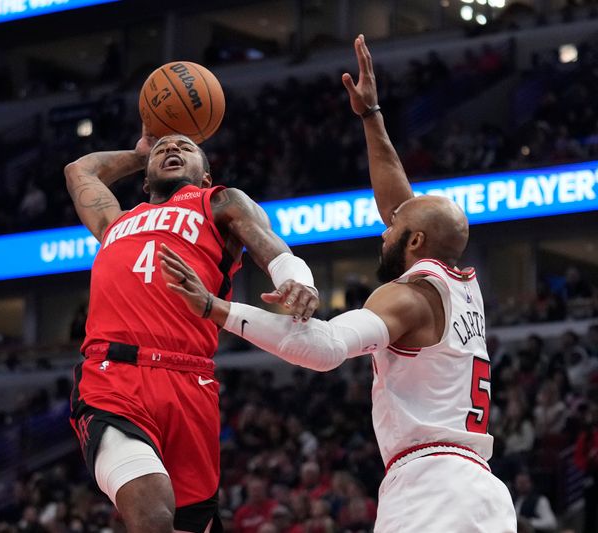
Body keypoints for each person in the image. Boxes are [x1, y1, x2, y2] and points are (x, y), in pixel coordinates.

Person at [158, 35, 516, 532]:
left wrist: (218, 308)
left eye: (392, 228)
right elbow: (403, 209)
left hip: (433, 492)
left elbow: (324, 348)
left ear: (413, 242)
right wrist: (372, 116)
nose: (382, 226)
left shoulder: (409, 297)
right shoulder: (459, 280)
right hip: (483, 494)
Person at [64, 119, 319, 531]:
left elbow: (271, 245)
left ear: (205, 174)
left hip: (190, 381)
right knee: (151, 509)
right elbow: (79, 171)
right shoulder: (115, 222)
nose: (172, 149)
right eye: (164, 148)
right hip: (114, 376)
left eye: (184, 145)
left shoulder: (218, 203)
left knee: (186, 523)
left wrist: (299, 282)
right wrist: (140, 153)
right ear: (145, 181)